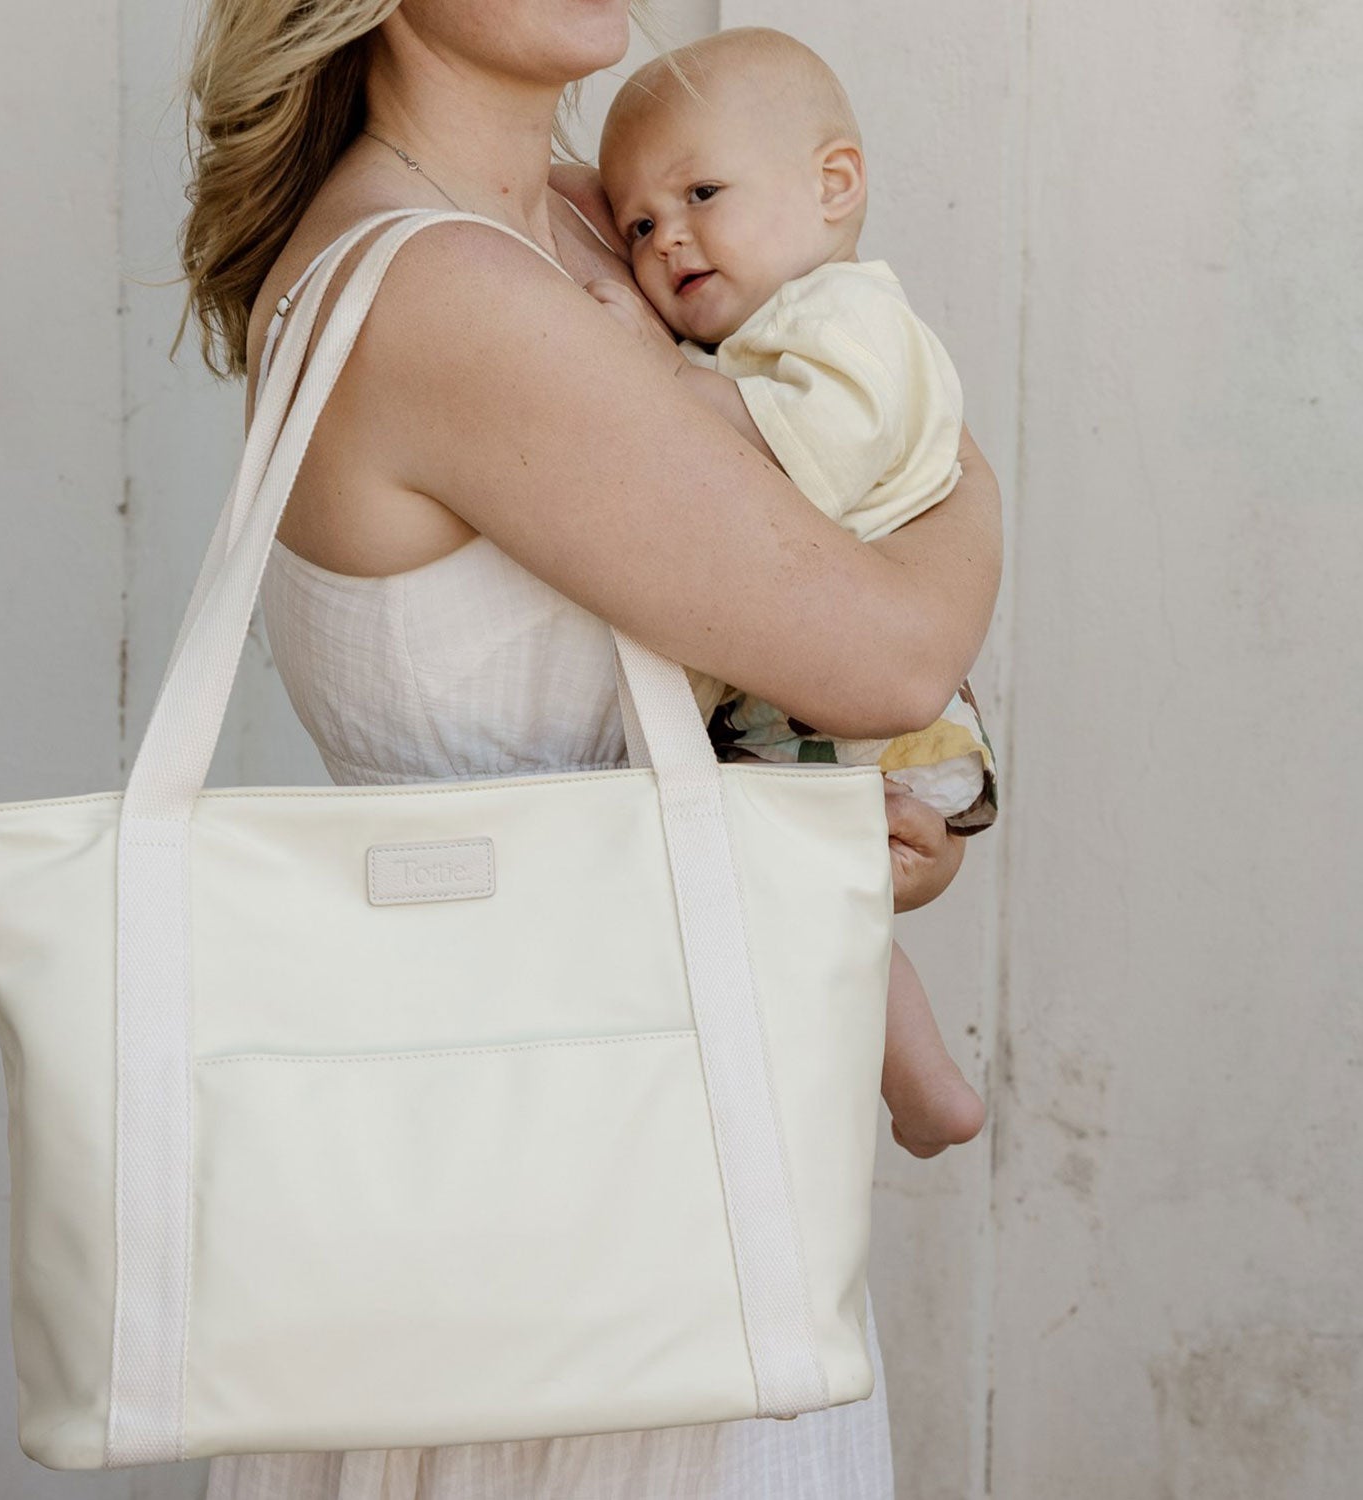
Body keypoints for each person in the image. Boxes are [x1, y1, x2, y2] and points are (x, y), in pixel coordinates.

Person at [178, 2, 1001, 1495]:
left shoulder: (590, 227)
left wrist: (838, 851)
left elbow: (732, 667)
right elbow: (896, 651)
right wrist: (956, 463)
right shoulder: (447, 288)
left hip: (625, 1130)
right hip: (579, 1205)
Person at [590, 26, 990, 1160]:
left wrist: (650, 372)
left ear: (834, 185)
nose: (668, 239)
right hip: (831, 686)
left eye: (701, 192)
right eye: (638, 225)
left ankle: (914, 1083)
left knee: (765, 899)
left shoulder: (846, 321)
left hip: (845, 696)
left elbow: (783, 470)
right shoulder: (774, 335)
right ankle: (912, 1086)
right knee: (797, 910)